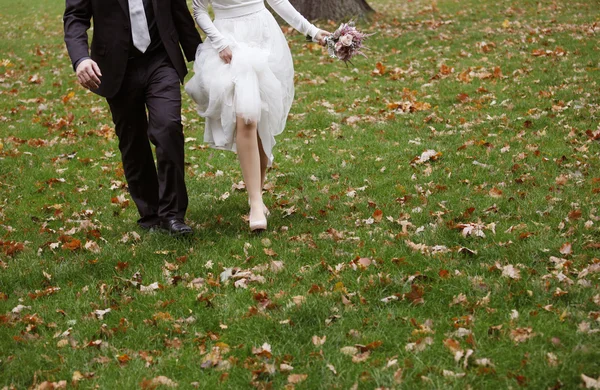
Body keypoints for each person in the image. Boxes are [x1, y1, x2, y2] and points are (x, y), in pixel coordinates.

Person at [185, 0, 330, 232]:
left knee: (259, 121)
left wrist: (312, 32)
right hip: (228, 44)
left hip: (263, 39)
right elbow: (199, 9)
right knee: (247, 117)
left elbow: (278, 1)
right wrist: (219, 41)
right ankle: (255, 203)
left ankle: (257, 194)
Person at [63, 0, 202, 235]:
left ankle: (173, 214)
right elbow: (75, 17)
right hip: (117, 67)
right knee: (133, 142)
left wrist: (201, 56)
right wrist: (80, 59)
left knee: (168, 128)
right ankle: (151, 215)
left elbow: (177, 9)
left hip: (161, 59)